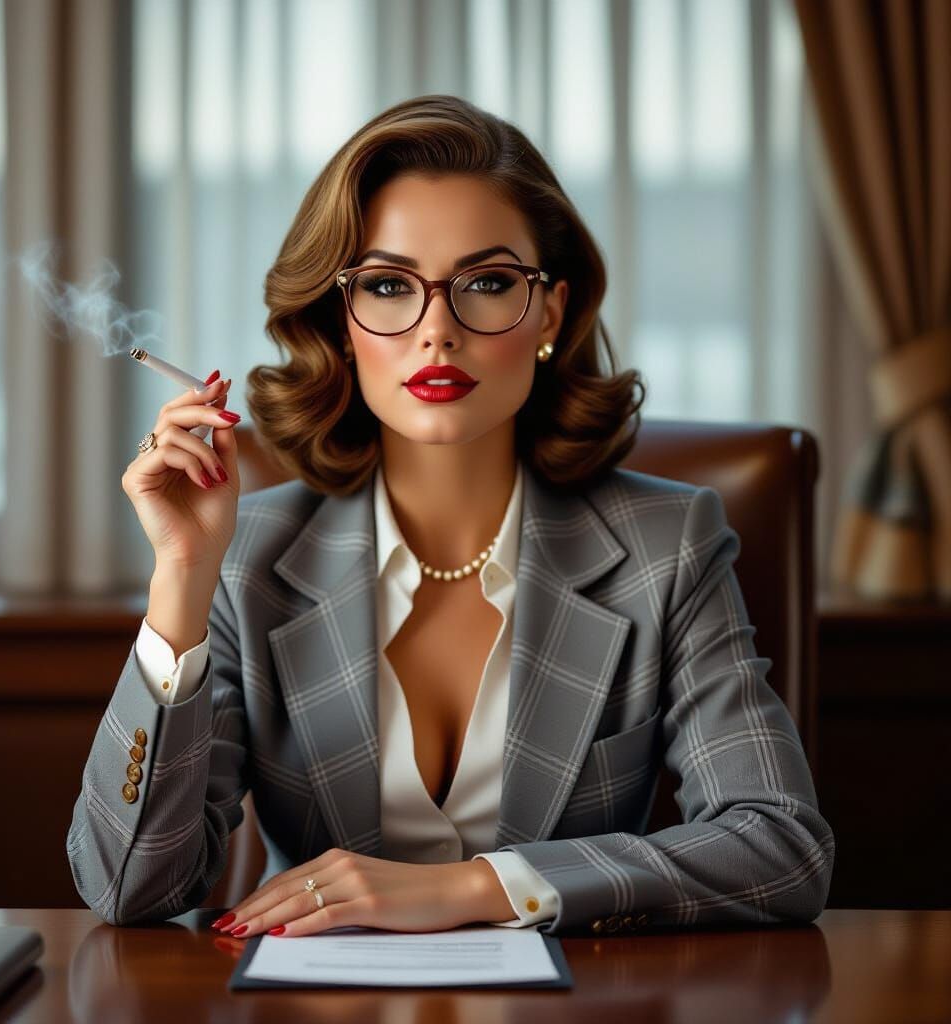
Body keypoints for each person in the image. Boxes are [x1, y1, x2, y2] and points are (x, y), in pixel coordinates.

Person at [67, 95, 834, 938]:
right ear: (340, 320)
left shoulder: (667, 546)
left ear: (549, 312)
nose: (437, 331)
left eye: (489, 284)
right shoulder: (245, 557)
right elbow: (128, 887)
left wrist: (480, 888)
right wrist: (181, 580)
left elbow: (780, 847)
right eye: (388, 286)